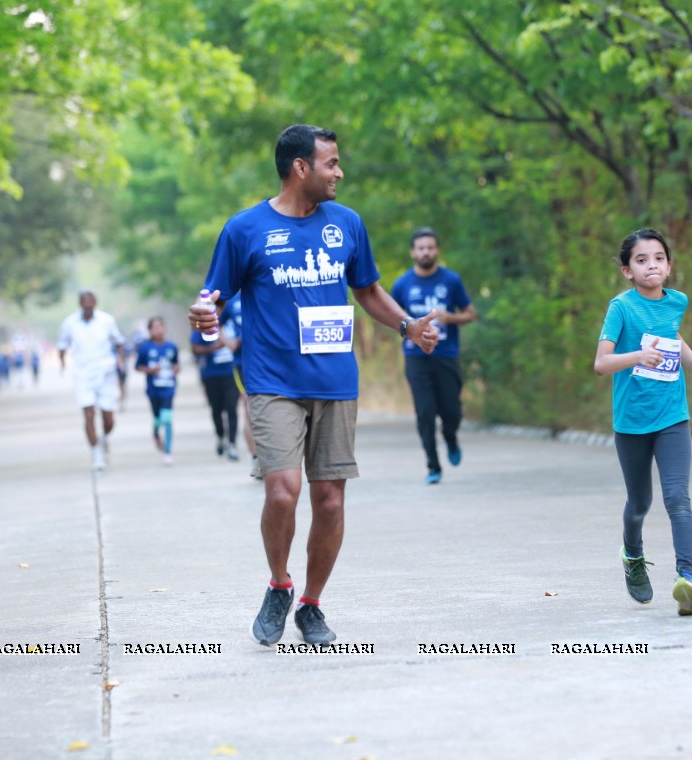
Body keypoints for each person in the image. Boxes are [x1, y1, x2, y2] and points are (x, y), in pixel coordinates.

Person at [190, 124, 439, 648]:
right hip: (272, 381)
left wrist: (408, 326)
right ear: (301, 167)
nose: (339, 173)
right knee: (284, 490)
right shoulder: (245, 230)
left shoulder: (346, 224)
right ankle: (279, 583)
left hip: (334, 382)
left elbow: (367, 289)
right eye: (331, 163)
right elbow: (213, 296)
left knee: (329, 500)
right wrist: (204, 314)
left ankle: (311, 605)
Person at [593, 228, 692, 617]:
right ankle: (632, 555)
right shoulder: (621, 308)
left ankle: (687, 579)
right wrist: (637, 357)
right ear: (627, 270)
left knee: (677, 498)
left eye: (659, 258)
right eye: (642, 260)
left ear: (669, 265)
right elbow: (601, 364)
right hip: (631, 421)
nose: (652, 265)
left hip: (672, 415)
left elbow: (673, 337)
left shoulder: (676, 301)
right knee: (640, 502)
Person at [390, 226, 477, 484]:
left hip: (446, 354)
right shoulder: (402, 284)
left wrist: (453, 317)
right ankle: (433, 466)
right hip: (416, 358)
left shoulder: (451, 280)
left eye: (430, 247)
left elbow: (471, 313)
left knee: (452, 411)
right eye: (421, 248)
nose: (426, 252)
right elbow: (392, 318)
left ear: (437, 250)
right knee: (425, 413)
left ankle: (450, 437)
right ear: (413, 252)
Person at [57, 290, 126, 471]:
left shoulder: (107, 321)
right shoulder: (70, 323)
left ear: (95, 303)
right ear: (80, 304)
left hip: (105, 372)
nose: (88, 306)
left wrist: (121, 361)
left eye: (91, 303)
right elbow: (62, 345)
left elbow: (118, 342)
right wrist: (62, 364)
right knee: (88, 413)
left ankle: (103, 439)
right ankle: (96, 454)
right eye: (84, 303)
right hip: (82, 374)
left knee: (108, 418)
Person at [191, 317, 240, 462]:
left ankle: (232, 444)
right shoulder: (204, 324)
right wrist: (215, 347)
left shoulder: (233, 324)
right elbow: (194, 348)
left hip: (232, 373)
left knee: (232, 409)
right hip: (211, 375)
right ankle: (220, 437)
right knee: (217, 410)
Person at [134, 316, 180, 466]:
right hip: (153, 389)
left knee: (167, 418)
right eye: (154, 327)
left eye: (160, 326)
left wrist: (176, 369)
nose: (158, 330)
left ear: (164, 328)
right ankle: (155, 433)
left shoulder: (172, 346)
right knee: (157, 417)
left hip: (169, 388)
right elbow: (138, 366)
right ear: (150, 331)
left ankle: (167, 451)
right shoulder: (145, 348)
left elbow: (176, 363)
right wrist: (149, 370)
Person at [225, 293, 262, 479]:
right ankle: (256, 459)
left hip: (268, 359)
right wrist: (226, 342)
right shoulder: (231, 300)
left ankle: (272, 458)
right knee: (250, 407)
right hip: (242, 362)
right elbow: (213, 322)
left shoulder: (268, 287)